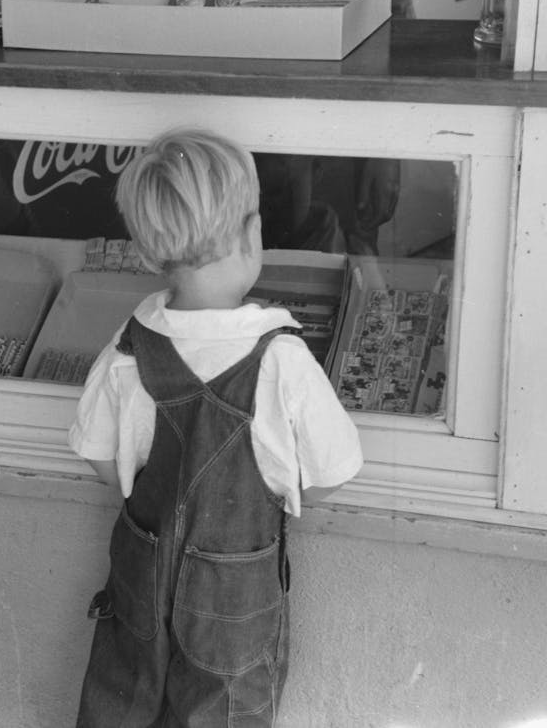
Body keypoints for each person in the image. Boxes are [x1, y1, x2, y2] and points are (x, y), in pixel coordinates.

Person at [69, 128, 363, 727]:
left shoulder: (129, 350)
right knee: (224, 714)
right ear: (254, 236)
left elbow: (101, 459)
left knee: (123, 701)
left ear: (150, 252)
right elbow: (332, 471)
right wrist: (273, 503)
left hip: (142, 580)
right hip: (237, 592)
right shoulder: (280, 360)